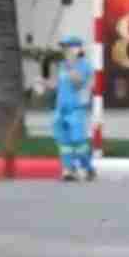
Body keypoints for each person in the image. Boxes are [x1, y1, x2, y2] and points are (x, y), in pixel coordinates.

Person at [51, 36, 96, 181]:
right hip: (61, 109)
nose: (65, 50)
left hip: (76, 109)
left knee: (79, 142)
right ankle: (69, 170)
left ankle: (88, 168)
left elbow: (78, 84)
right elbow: (58, 84)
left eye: (68, 47)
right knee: (64, 143)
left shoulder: (85, 66)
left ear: (78, 49)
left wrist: (71, 66)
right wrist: (44, 84)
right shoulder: (62, 65)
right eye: (64, 47)